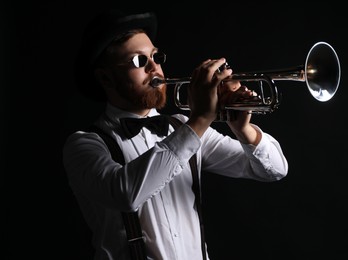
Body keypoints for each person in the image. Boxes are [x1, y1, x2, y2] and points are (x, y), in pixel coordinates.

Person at [62, 8, 288, 260]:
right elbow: (126, 194)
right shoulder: (84, 145)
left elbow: (274, 170)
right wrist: (201, 119)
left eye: (156, 57)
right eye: (139, 60)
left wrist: (242, 129)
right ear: (105, 78)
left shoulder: (182, 127)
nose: (154, 68)